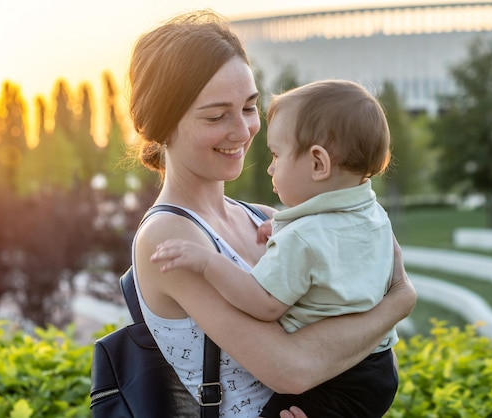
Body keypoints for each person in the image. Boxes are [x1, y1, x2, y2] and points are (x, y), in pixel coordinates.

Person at [127, 9, 416, 418]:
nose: (243, 130)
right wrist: (399, 301)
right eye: (216, 115)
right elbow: (293, 371)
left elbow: (355, 350)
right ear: (161, 125)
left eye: (248, 107)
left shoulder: (264, 217)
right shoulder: (169, 238)